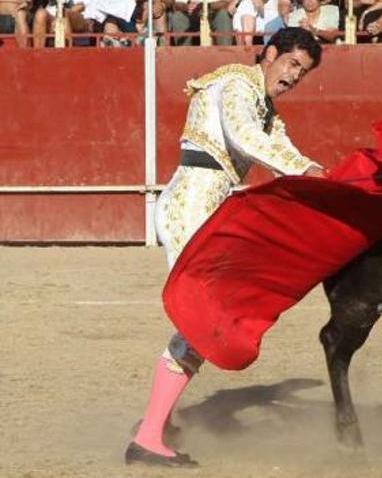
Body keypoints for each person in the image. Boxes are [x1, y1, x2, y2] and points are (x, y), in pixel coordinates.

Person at [125, 27, 326, 468]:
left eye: (303, 72)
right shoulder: (236, 85)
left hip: (207, 204)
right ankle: (148, 435)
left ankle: (157, 423)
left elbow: (277, 142)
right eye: (292, 63)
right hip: (192, 204)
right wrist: (301, 168)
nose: (294, 76)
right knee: (205, 321)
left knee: (207, 320)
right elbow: (245, 138)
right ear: (270, 53)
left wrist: (318, 175)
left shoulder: (262, 103)